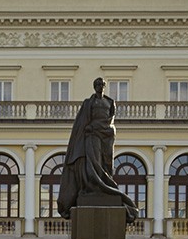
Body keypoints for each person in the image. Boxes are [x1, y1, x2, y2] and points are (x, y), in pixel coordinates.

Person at [57, 76, 139, 223]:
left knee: (105, 162)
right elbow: (83, 122)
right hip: (92, 135)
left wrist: (99, 127)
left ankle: (105, 185)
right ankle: (92, 186)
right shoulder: (89, 103)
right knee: (93, 162)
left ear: (104, 86)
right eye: (97, 84)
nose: (100, 86)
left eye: (102, 84)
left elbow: (110, 121)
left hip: (106, 136)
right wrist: (90, 129)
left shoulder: (110, 102)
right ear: (94, 86)